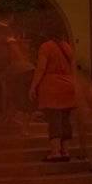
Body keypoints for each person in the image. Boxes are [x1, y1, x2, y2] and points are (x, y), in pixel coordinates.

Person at [30, 28, 78, 162]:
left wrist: (33, 86)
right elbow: (74, 67)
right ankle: (65, 151)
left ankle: (55, 152)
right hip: (68, 84)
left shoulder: (46, 47)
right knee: (65, 119)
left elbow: (41, 68)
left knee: (54, 118)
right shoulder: (67, 47)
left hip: (52, 86)